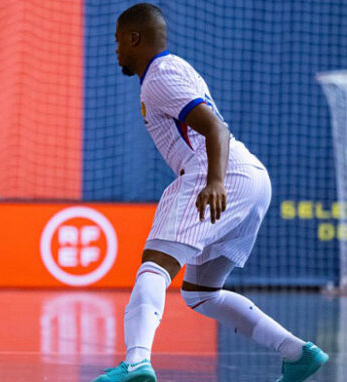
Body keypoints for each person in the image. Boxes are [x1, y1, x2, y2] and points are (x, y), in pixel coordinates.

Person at [93, 4, 328, 382]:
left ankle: (136, 362)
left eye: (118, 40)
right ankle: (297, 352)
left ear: (135, 38)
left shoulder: (160, 75)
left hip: (218, 174)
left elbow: (215, 128)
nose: (116, 48)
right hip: (250, 177)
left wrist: (215, 182)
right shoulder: (171, 70)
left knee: (155, 263)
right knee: (201, 292)